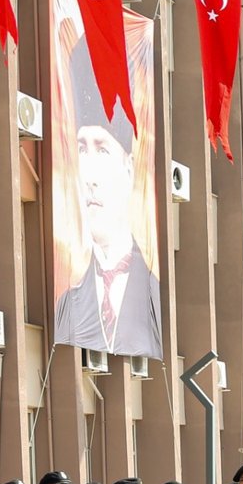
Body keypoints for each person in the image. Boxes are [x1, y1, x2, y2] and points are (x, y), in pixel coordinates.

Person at [52, 45, 162, 357]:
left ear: (128, 167)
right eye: (81, 148)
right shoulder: (67, 305)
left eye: (102, 149)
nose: (89, 176)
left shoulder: (152, 300)